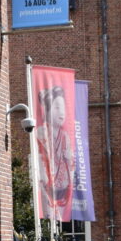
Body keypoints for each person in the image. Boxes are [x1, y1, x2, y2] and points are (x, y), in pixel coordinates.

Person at [36, 86, 75, 221]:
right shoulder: (40, 133)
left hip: (64, 193)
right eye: (57, 107)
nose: (61, 112)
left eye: (63, 108)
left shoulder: (65, 137)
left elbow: (70, 162)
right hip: (47, 192)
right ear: (47, 110)